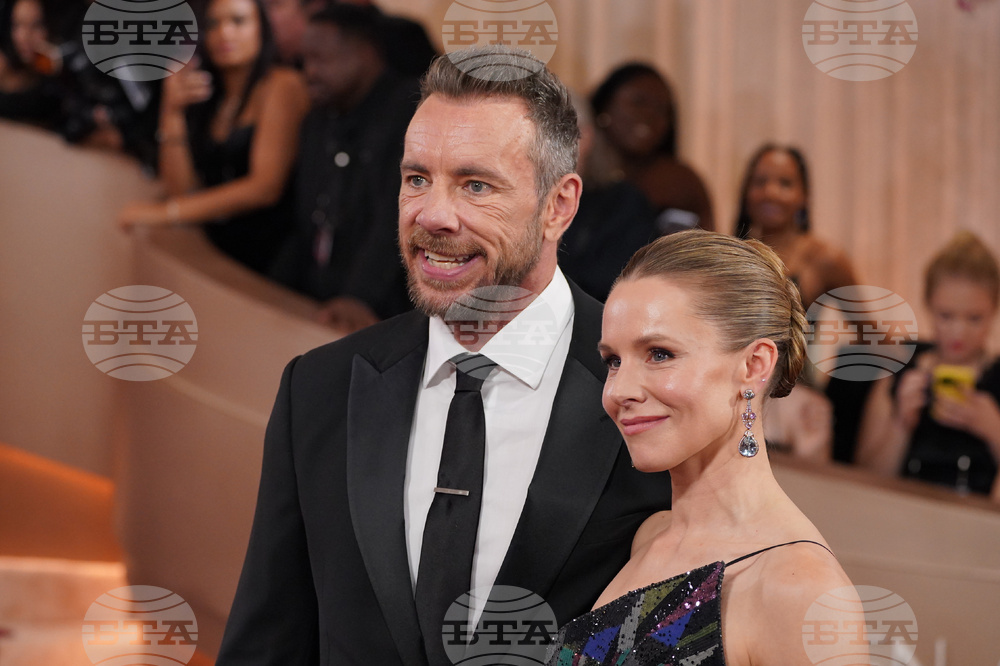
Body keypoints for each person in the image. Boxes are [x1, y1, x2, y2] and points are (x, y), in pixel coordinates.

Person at [216, 46, 670, 666]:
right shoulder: (318, 391)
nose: (432, 215)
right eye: (417, 179)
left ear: (558, 206)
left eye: (475, 185)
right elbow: (268, 642)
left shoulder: (654, 392)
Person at [548, 230, 860, 665]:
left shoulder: (801, 589)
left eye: (659, 354)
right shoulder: (648, 538)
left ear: (754, 366)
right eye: (613, 361)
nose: (619, 390)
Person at [118, 0, 309, 276]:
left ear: (261, 28)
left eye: (238, 21)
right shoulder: (210, 95)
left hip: (268, 262)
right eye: (213, 24)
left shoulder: (282, 84)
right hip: (214, 255)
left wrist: (166, 212)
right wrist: (170, 112)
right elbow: (182, 190)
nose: (225, 33)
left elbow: (265, 187)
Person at [269, 4, 416, 332]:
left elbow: (399, 219)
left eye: (321, 59)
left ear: (365, 54)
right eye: (305, 60)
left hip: (387, 319)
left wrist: (358, 297)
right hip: (319, 306)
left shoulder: (411, 113)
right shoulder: (318, 119)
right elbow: (306, 221)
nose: (309, 72)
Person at [857, 231, 1000, 498]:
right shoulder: (901, 364)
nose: (959, 332)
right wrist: (901, 424)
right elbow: (866, 478)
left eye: (974, 318)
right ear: (928, 305)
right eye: (946, 316)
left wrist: (995, 430)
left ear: (993, 311)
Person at [591, 63, 714, 234]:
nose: (650, 115)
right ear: (606, 106)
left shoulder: (679, 183)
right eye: (638, 102)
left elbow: (700, 253)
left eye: (662, 110)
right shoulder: (577, 173)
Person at [733, 143, 857, 310]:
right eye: (760, 182)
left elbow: (870, 330)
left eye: (785, 184)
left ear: (804, 195)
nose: (770, 192)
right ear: (746, 192)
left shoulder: (825, 258)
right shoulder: (733, 254)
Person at [0, 0, 61, 128]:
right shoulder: (3, 64)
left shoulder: (59, 77)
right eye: (17, 25)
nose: (25, 36)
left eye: (36, 25)